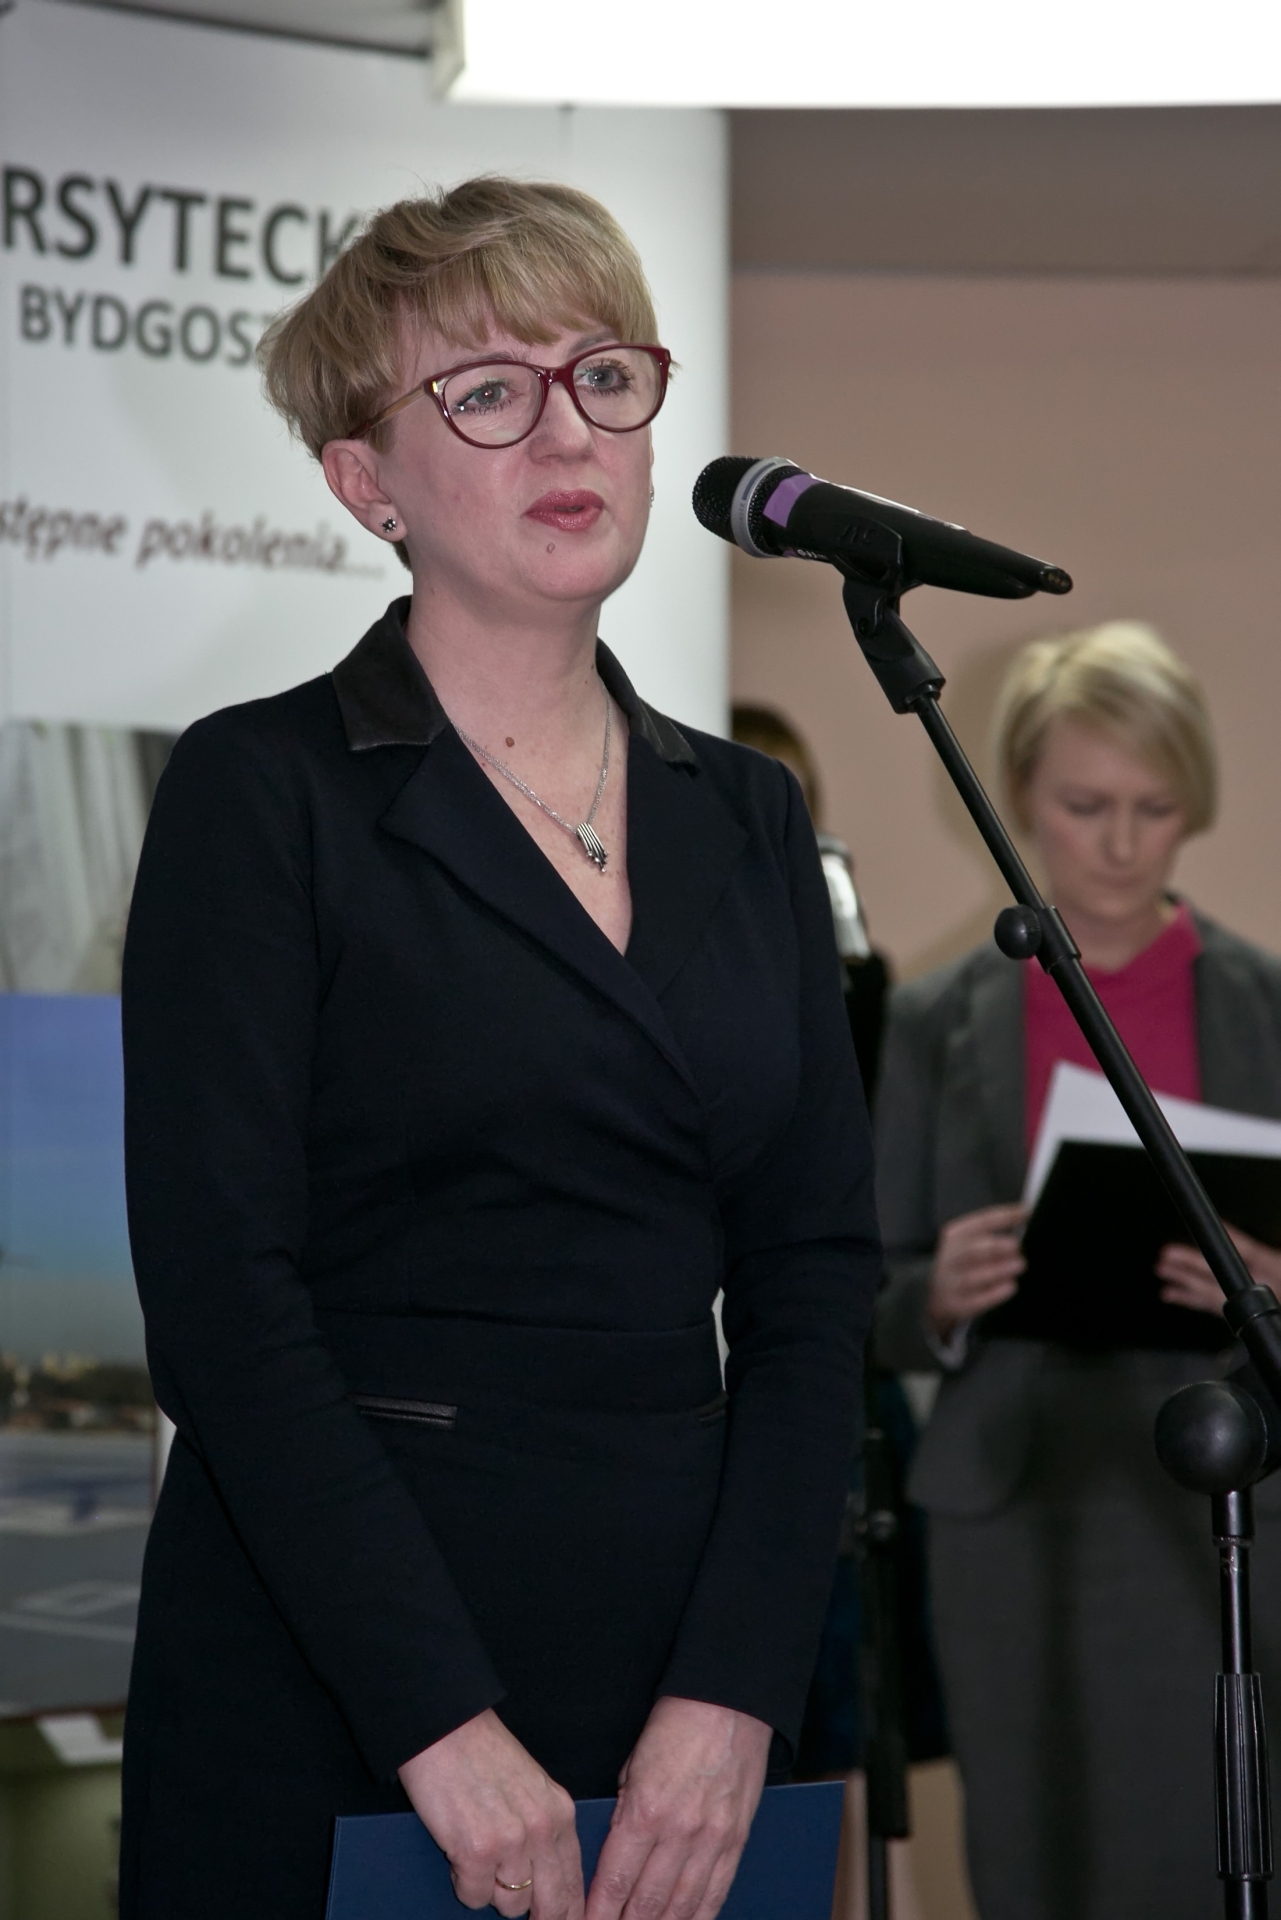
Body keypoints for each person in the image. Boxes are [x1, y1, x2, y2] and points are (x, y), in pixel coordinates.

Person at [118, 178, 880, 1920]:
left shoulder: (748, 815)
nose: (568, 428)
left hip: (682, 1690)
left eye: (602, 374)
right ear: (364, 482)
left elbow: (813, 1277)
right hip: (340, 1672)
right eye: (486, 391)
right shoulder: (264, 793)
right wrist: (439, 1725)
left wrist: (737, 1687)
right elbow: (223, 1308)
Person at [874, 621, 1281, 1920]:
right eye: (1083, 807)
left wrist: (1269, 1283)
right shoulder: (931, 1018)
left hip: (1230, 1499)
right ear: (1018, 798)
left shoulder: (1269, 1006)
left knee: (1230, 1845)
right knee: (1037, 1856)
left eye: (1153, 809)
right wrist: (936, 1297)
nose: (1118, 845)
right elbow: (857, 1294)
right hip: (1012, 1503)